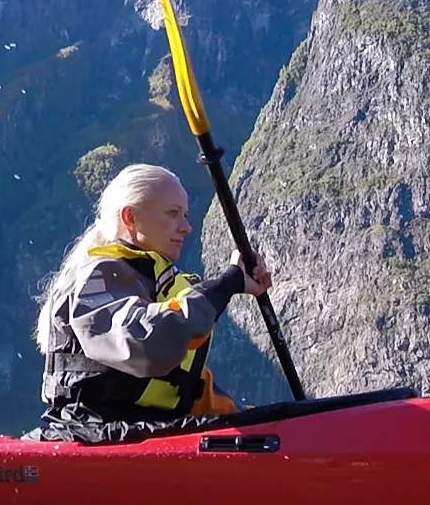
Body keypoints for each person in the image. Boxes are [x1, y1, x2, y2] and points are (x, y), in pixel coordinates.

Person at [35, 164, 272, 428]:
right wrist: (226, 284)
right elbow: (145, 341)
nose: (186, 228)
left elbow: (188, 387)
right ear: (130, 218)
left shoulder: (156, 281)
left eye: (185, 215)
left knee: (280, 422)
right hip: (96, 430)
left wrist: (256, 421)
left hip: (149, 428)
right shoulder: (98, 275)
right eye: (173, 213)